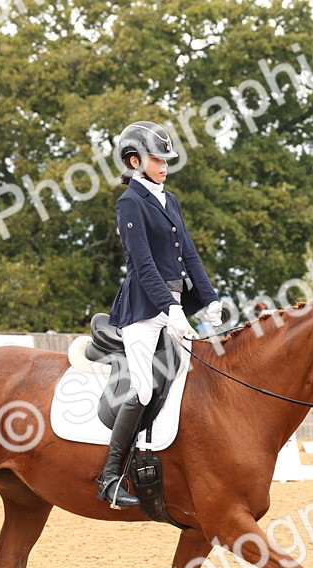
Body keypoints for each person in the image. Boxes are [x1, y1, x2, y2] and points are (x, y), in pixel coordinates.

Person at [96, 121, 222, 508]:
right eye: (156, 158)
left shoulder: (171, 200)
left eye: (166, 158)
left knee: (195, 378)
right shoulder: (129, 203)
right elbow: (143, 262)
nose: (164, 164)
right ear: (135, 161)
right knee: (145, 388)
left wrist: (210, 296)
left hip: (174, 307)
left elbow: (189, 254)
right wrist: (170, 308)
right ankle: (110, 478)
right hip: (142, 310)